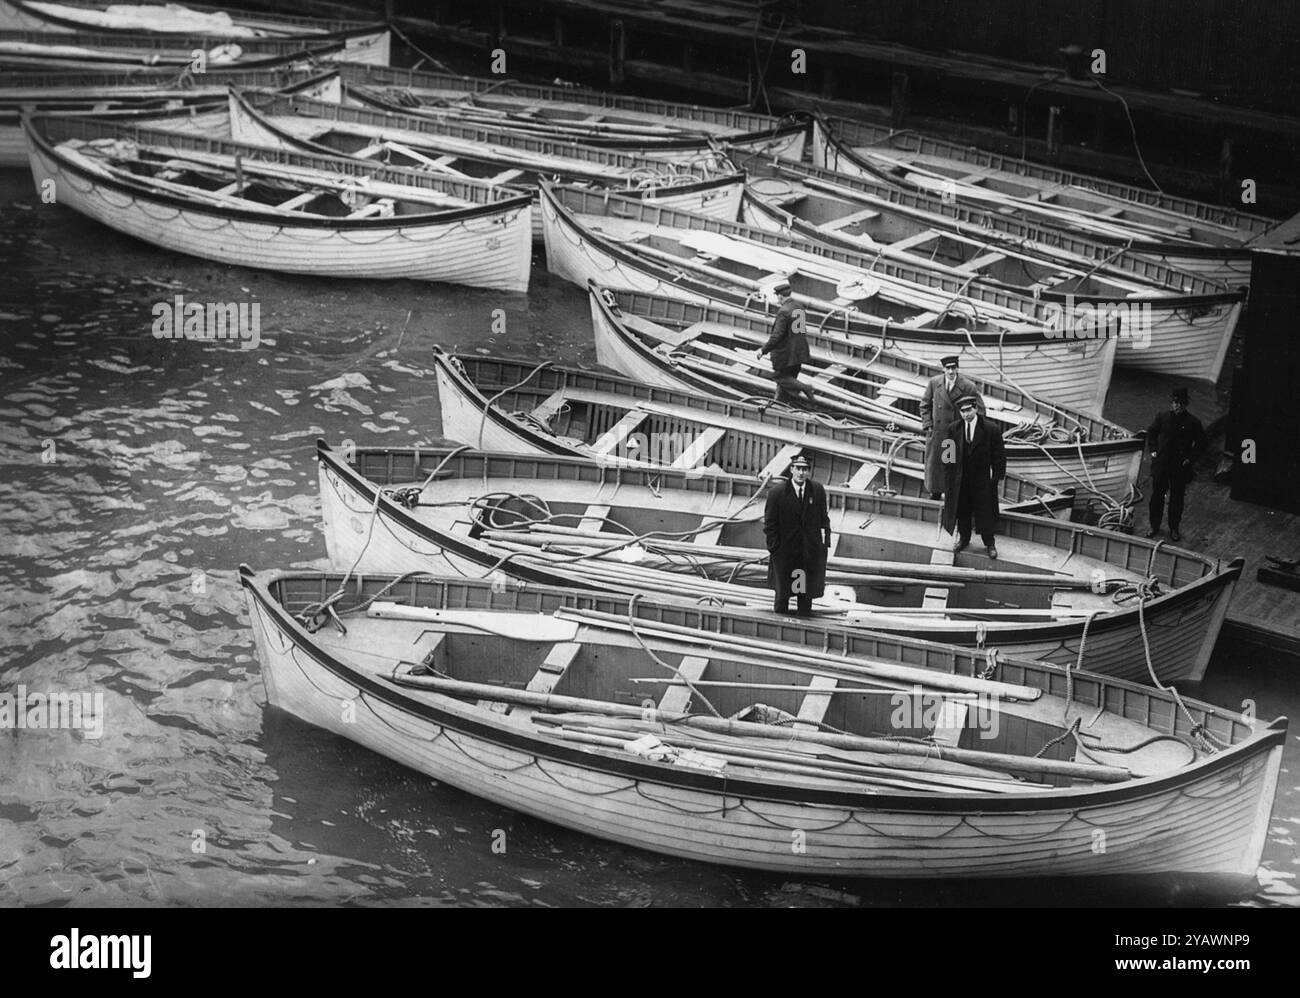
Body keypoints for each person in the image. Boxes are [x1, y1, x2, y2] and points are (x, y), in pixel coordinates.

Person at [763, 453, 831, 616]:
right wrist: (774, 548)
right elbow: (770, 523)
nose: (801, 473)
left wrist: (822, 545)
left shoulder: (817, 490)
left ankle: (803, 620)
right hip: (785, 552)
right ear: (792, 469)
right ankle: (780, 621)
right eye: (798, 468)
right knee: (783, 593)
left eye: (805, 469)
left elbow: (823, 518)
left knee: (804, 592)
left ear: (809, 472)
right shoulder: (777, 493)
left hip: (807, 552)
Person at [942, 395, 1006, 559]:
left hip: (982, 481)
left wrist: (995, 479)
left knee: (985, 512)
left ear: (976, 409)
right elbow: (947, 458)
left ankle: (989, 543)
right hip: (961, 481)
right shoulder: (953, 429)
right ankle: (964, 538)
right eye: (962, 411)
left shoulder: (991, 429)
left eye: (969, 410)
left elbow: (1000, 457)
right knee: (962, 511)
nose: (966, 414)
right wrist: (949, 483)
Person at [1145, 386, 1205, 543]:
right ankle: (1154, 526)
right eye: (1174, 403)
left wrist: (1190, 459)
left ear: (1185, 405)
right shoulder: (1162, 417)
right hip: (1162, 464)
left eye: (1179, 403)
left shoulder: (1194, 422)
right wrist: (1153, 450)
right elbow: (1151, 433)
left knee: (1177, 499)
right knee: (1157, 496)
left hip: (1180, 466)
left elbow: (1200, 444)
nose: (1176, 406)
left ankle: (1174, 528)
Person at [920, 355, 984, 499]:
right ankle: (935, 493)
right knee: (935, 468)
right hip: (937, 434)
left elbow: (980, 410)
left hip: (956, 436)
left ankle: (952, 495)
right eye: (948, 368)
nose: (950, 371)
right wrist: (928, 425)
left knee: (953, 467)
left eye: (953, 368)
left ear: (957, 368)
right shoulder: (934, 383)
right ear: (943, 369)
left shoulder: (968, 386)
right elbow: (925, 405)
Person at [756, 279, 817, 408]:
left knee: (779, 376)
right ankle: (779, 402)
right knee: (789, 378)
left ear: (780, 296)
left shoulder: (783, 311)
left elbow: (777, 336)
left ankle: (806, 388)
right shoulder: (799, 307)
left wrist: (763, 350)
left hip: (787, 353)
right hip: (800, 351)